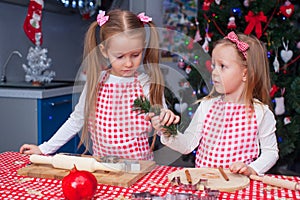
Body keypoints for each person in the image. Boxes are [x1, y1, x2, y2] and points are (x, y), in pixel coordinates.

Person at [20, 9, 178, 160]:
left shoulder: (145, 83)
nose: (129, 63)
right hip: (102, 168)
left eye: (135, 55)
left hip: (139, 169)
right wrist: (44, 149)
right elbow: (77, 119)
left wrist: (164, 121)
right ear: (104, 51)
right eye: (120, 56)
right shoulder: (96, 81)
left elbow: (161, 125)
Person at [154, 31, 279, 176]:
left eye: (222, 66)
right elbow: (188, 144)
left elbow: (271, 152)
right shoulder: (207, 107)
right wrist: (168, 131)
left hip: (236, 190)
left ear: (245, 73)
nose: (214, 73)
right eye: (214, 66)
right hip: (205, 186)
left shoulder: (261, 113)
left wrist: (252, 169)